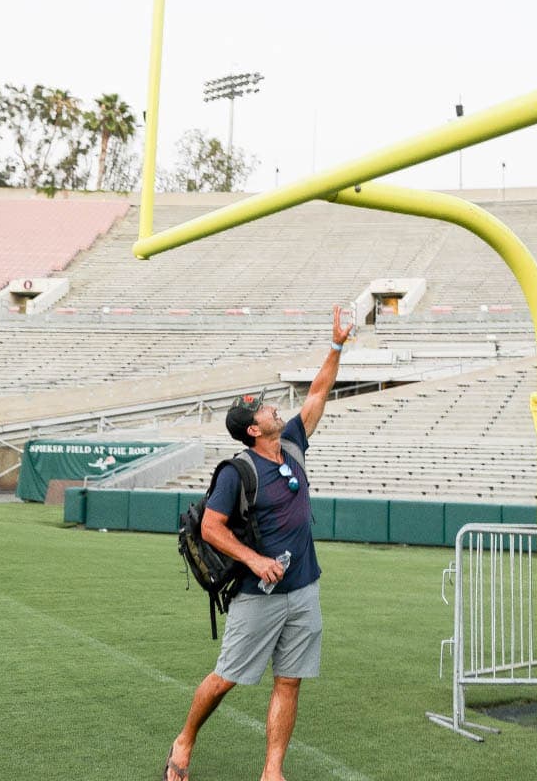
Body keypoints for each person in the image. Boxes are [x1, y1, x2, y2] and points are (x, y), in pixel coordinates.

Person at [163, 304, 353, 781]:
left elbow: (318, 390)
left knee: (289, 682)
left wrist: (336, 345)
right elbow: (211, 528)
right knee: (226, 678)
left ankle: (273, 771)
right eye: (263, 409)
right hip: (258, 594)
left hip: (304, 589)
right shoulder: (238, 471)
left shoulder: (291, 441)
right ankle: (184, 740)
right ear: (253, 428)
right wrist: (255, 559)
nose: (273, 408)